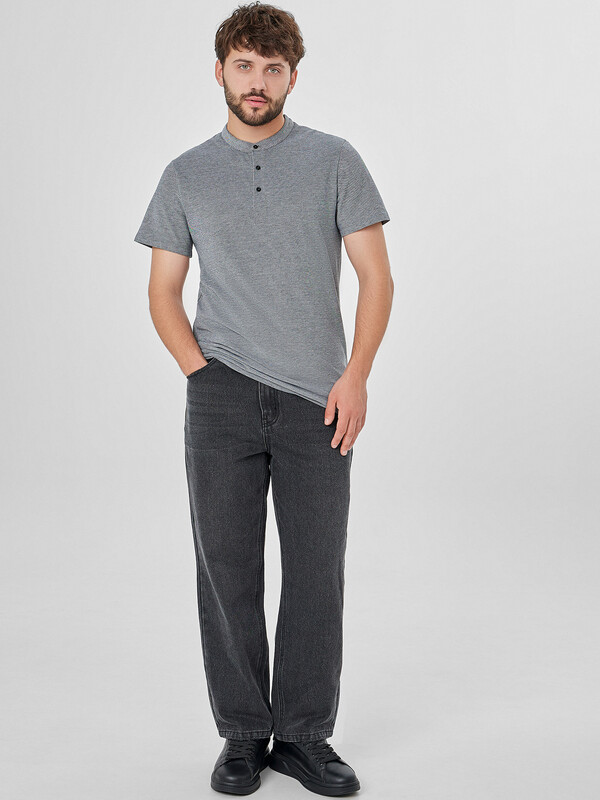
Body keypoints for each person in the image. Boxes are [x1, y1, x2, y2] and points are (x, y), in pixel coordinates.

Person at [133, 2, 393, 795]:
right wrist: (201, 372)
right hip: (221, 398)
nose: (258, 81)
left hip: (321, 399)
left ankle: (305, 736)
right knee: (227, 569)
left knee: (316, 570)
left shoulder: (334, 160)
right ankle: (244, 734)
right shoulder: (186, 174)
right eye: (244, 66)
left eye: (272, 69)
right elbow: (164, 290)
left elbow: (377, 276)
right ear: (220, 72)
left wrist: (356, 375)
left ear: (291, 78)